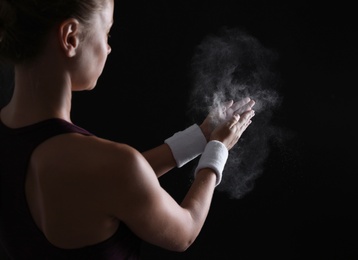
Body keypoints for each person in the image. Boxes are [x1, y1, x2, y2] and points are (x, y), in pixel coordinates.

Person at [0, 0, 255, 259]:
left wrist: (200, 137)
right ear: (70, 37)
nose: (109, 48)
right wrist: (217, 150)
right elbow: (184, 232)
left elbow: (113, 181)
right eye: (107, 32)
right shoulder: (110, 166)